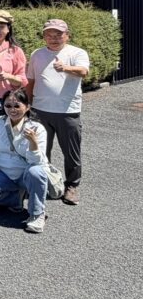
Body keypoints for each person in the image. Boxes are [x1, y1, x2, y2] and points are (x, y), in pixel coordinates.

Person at [26, 19, 89, 206]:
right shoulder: (37, 54)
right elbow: (31, 80)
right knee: (40, 150)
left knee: (71, 152)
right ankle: (43, 182)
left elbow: (84, 71)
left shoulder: (77, 52)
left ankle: (72, 185)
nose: (53, 38)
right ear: (44, 36)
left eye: (58, 34)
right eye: (49, 34)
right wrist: (28, 104)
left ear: (67, 35)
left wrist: (65, 68)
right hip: (40, 110)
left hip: (67, 111)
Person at [0, 89, 49, 233]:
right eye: (8, 106)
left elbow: (36, 161)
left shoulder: (37, 128)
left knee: (36, 172)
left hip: (27, 173)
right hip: (5, 172)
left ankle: (37, 214)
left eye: (17, 105)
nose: (12, 110)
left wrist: (33, 142)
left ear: (27, 107)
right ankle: (16, 198)